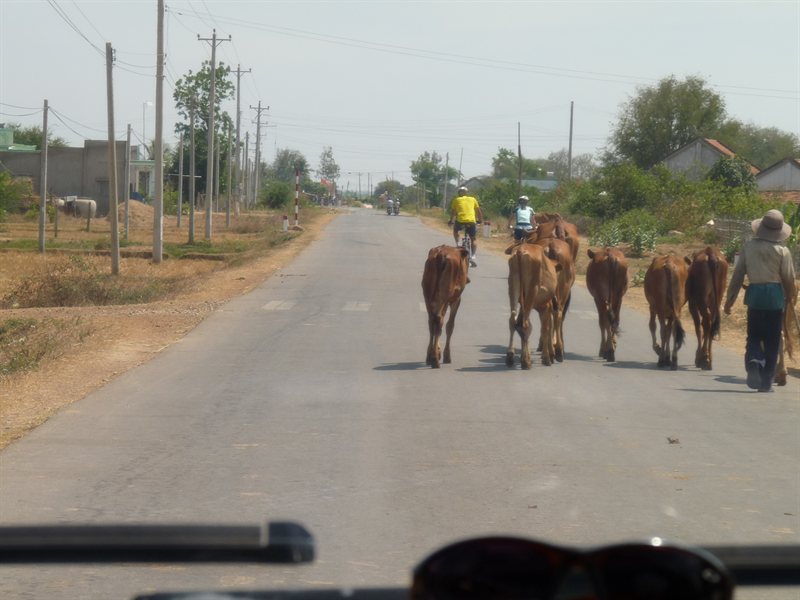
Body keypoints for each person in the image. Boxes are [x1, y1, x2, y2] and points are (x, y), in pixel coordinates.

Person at [723, 209, 796, 392]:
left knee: (754, 335)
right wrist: (791, 296)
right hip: (774, 298)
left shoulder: (749, 247)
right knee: (772, 339)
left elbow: (738, 275)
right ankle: (765, 382)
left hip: (754, 295)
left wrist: (730, 300)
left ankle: (754, 360)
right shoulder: (783, 251)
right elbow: (788, 277)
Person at [448, 186, 483, 267]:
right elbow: (478, 211)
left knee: (456, 231)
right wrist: (480, 220)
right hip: (471, 221)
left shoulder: (456, 200)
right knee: (473, 238)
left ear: (459, 193)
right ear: (467, 193)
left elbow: (453, 212)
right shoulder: (473, 199)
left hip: (460, 221)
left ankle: (458, 243)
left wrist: (451, 221)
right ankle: (473, 255)